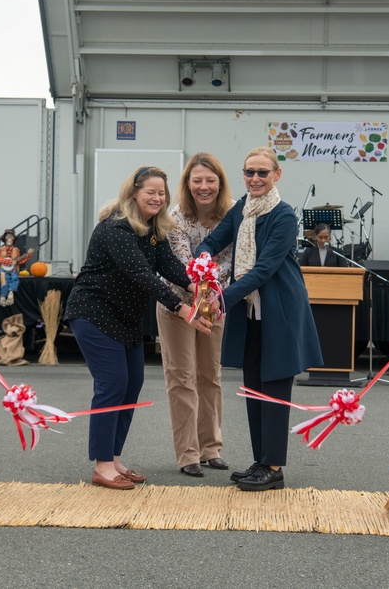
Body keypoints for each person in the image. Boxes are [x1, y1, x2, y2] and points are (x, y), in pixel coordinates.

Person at [64, 166, 212, 491]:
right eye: (151, 192)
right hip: (94, 312)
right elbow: (142, 274)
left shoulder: (153, 230)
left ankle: (114, 459)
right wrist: (182, 308)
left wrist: (198, 287)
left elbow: (168, 265)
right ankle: (102, 466)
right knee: (112, 384)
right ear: (134, 192)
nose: (157, 198)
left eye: (162, 193)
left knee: (132, 385)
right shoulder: (116, 228)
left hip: (125, 318)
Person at [196, 147, 323, 491]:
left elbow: (265, 268)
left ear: (276, 175)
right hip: (250, 312)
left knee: (276, 390)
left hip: (280, 311)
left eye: (262, 173)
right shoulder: (241, 209)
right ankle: (261, 460)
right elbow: (212, 241)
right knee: (254, 389)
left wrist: (224, 296)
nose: (255, 178)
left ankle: (274, 467)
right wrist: (203, 261)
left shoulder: (283, 216)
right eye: (249, 172)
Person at [157, 153, 234, 478]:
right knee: (182, 377)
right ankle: (187, 453)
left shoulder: (233, 214)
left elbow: (231, 258)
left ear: (219, 182)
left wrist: (215, 294)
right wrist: (198, 292)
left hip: (215, 305)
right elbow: (180, 260)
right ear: (187, 184)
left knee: (210, 376)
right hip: (178, 305)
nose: (204, 187)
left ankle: (210, 447)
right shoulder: (175, 215)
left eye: (210, 180)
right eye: (197, 180)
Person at [0, 228, 34, 307]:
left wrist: (28, 255)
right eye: (7, 237)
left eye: (11, 237)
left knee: (15, 278)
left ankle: (11, 294)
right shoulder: (1, 249)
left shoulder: (16, 250)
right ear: (4, 238)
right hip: (3, 270)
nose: (9, 239)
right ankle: (3, 296)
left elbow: (19, 261)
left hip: (13, 269)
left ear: (14, 239)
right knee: (5, 278)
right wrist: (7, 261)